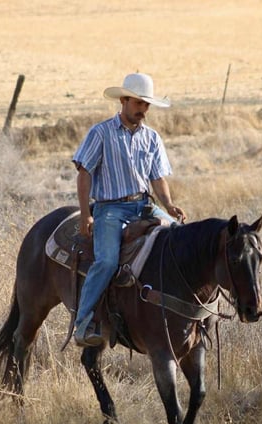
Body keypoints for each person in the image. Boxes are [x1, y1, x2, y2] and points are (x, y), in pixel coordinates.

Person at [72, 73, 186, 347]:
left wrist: (169, 205)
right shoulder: (101, 133)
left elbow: (157, 177)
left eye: (146, 105)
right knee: (107, 262)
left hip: (144, 205)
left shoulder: (152, 137)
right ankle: (83, 323)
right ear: (123, 100)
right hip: (110, 208)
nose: (143, 109)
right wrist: (86, 213)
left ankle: (182, 314)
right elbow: (84, 173)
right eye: (138, 103)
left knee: (180, 241)